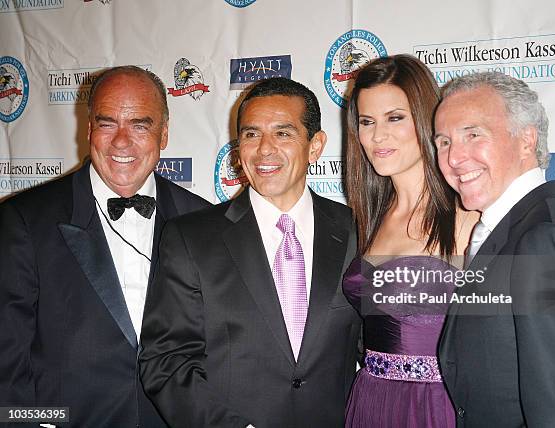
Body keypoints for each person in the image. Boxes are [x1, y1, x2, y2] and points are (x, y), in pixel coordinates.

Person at [139, 77, 361, 427]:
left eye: (283, 133)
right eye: (251, 134)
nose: (264, 150)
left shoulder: (356, 231)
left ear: (315, 146)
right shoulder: (190, 238)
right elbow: (167, 362)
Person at [0, 66, 210, 427]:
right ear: (89, 130)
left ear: (164, 135)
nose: (121, 141)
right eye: (108, 123)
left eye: (140, 124)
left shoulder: (203, 220)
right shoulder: (24, 220)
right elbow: (6, 363)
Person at [434, 71, 555, 426]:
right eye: (443, 142)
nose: (454, 158)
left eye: (473, 134)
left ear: (526, 140)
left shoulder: (545, 239)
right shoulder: (522, 225)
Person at [342, 54, 478, 427]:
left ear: (424, 118)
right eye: (366, 122)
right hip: (369, 398)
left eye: (394, 118)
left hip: (435, 407)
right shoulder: (368, 218)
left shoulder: (466, 216)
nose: (377, 136)